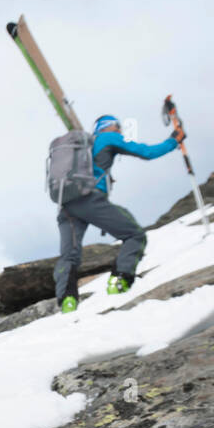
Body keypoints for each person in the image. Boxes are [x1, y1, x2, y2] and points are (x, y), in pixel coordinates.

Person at [53, 114, 180, 312]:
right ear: (108, 126)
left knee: (69, 255)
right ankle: (120, 280)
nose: (120, 130)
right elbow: (146, 152)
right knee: (134, 234)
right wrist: (173, 141)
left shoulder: (82, 149)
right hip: (90, 200)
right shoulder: (107, 138)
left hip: (66, 204)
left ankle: (67, 300)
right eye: (118, 126)